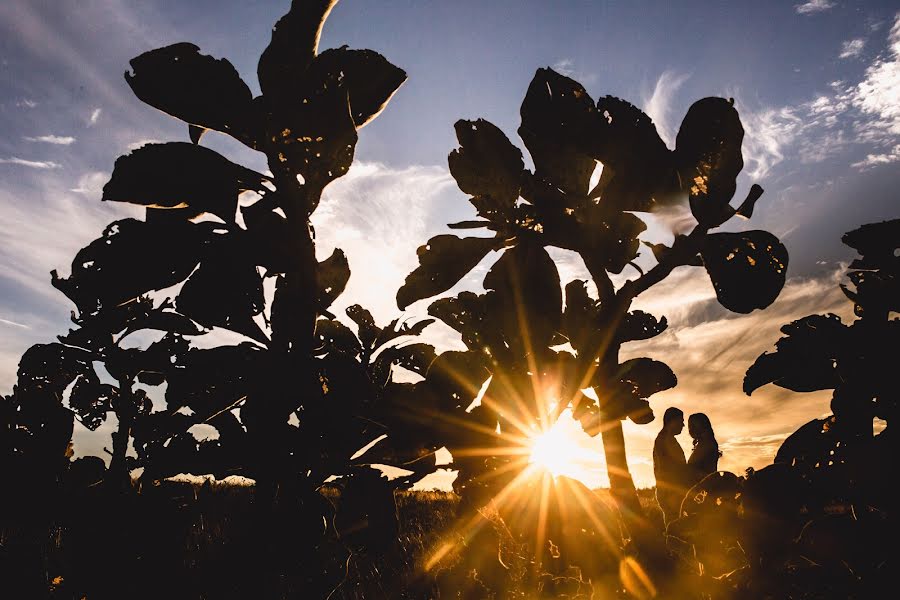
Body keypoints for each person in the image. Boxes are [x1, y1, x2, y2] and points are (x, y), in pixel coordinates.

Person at [653, 407, 687, 527]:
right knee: (675, 527)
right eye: (681, 421)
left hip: (670, 491)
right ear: (672, 421)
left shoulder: (666, 439)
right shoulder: (664, 440)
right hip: (670, 492)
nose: (683, 425)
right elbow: (667, 468)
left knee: (675, 525)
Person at [686, 412, 722, 488]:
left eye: (693, 426)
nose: (690, 429)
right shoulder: (706, 442)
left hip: (703, 488)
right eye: (689, 426)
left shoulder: (706, 444)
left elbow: (697, 471)